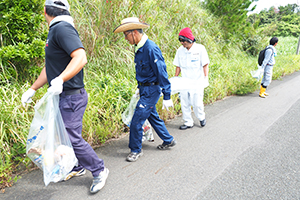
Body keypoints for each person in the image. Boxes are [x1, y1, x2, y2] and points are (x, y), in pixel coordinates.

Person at [21, 0, 108, 194]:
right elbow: (49, 67)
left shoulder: (62, 28)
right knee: (62, 135)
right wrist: (33, 89)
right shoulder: (55, 31)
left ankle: (99, 169)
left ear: (45, 11)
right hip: (63, 96)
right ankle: (76, 167)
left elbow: (81, 57)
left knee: (70, 137)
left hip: (71, 96)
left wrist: (60, 79)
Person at [113, 17, 176, 162]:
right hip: (144, 90)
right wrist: (139, 88)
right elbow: (144, 72)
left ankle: (135, 150)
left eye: (126, 35)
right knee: (152, 116)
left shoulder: (150, 48)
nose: (125, 38)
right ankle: (168, 140)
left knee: (136, 121)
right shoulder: (139, 48)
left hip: (152, 91)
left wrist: (167, 95)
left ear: (134, 32)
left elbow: (162, 72)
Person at [173, 27, 210, 130]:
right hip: (184, 81)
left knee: (197, 103)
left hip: (197, 81)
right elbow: (178, 66)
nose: (182, 43)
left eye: (183, 41)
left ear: (189, 39)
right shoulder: (180, 51)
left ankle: (201, 117)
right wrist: (176, 78)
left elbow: (205, 64)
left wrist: (205, 78)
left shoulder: (200, 49)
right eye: (180, 41)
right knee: (184, 103)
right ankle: (188, 122)